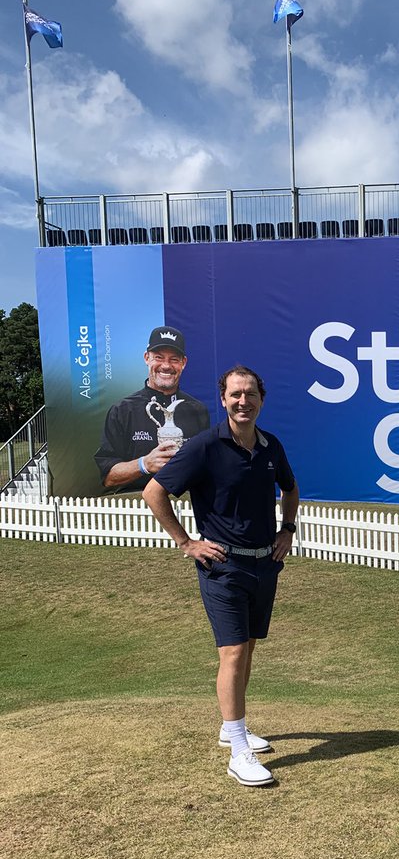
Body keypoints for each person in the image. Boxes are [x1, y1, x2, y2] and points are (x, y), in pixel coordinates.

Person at [142, 364, 300, 786]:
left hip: (264, 564)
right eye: (235, 394)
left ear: (261, 399)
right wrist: (186, 543)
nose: (243, 401)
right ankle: (239, 753)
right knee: (231, 653)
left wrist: (287, 529)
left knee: (247, 648)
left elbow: (290, 487)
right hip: (222, 566)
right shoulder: (205, 446)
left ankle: (233, 727)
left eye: (250, 394)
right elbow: (153, 492)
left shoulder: (270, 446)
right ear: (223, 399)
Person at [94, 326, 210, 492]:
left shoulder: (198, 411)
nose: (166, 365)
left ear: (183, 363)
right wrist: (144, 464)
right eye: (158, 357)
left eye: (174, 359)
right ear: (146, 358)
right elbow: (108, 477)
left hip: (184, 506)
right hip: (137, 508)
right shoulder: (123, 410)